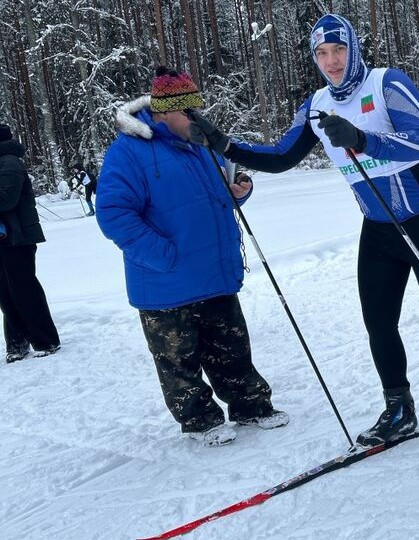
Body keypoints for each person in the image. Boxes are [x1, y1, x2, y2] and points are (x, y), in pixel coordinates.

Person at [188, 14, 419, 446]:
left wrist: (362, 137)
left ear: (352, 48)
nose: (332, 61)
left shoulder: (386, 82)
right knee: (378, 321)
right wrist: (226, 145)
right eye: (322, 53)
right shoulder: (317, 105)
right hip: (379, 228)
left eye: (338, 50)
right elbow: (282, 155)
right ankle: (398, 408)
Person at [96, 67, 288, 447]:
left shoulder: (200, 145)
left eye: (198, 110)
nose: (197, 119)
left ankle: (251, 405)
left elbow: (216, 194)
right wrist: (164, 256)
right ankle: (200, 419)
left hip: (213, 273)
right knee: (178, 362)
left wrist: (238, 191)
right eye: (189, 112)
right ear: (164, 112)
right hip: (165, 282)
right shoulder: (129, 152)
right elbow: (114, 214)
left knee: (232, 349)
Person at [0, 123, 61, 363]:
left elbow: (6, 199)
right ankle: (17, 343)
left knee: (24, 290)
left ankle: (46, 339)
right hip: (5, 239)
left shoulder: (9, 162)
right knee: (6, 292)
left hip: (18, 238)